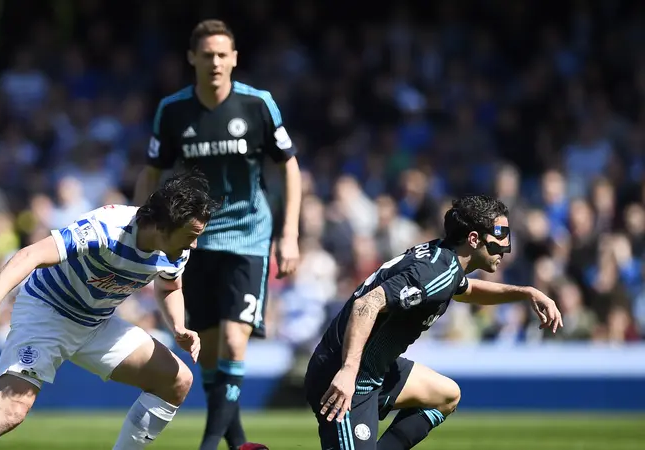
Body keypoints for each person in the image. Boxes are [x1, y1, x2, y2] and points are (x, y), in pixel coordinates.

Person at [0, 170, 218, 450]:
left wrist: (178, 327)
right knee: (9, 411)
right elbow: (30, 255)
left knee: (177, 381)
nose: (193, 243)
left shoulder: (176, 250)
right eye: (190, 234)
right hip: (48, 311)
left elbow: (170, 287)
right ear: (164, 225)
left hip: (96, 323)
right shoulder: (107, 228)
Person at [134, 19, 302, 450]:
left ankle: (209, 446)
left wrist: (290, 233)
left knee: (233, 339)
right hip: (195, 240)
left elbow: (289, 166)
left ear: (234, 59)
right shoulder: (172, 110)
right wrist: (142, 228)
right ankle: (239, 441)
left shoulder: (258, 105)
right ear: (192, 58)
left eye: (222, 54)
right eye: (206, 54)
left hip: (249, 233)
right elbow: (152, 171)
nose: (214, 62)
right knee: (206, 351)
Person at [304, 195, 564, 450]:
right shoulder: (435, 273)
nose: (505, 250)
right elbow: (367, 304)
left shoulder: (444, 261)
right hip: (344, 376)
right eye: (499, 241)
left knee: (445, 396)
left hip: (374, 370)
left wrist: (527, 292)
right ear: (474, 239)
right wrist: (348, 371)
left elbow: (466, 289)